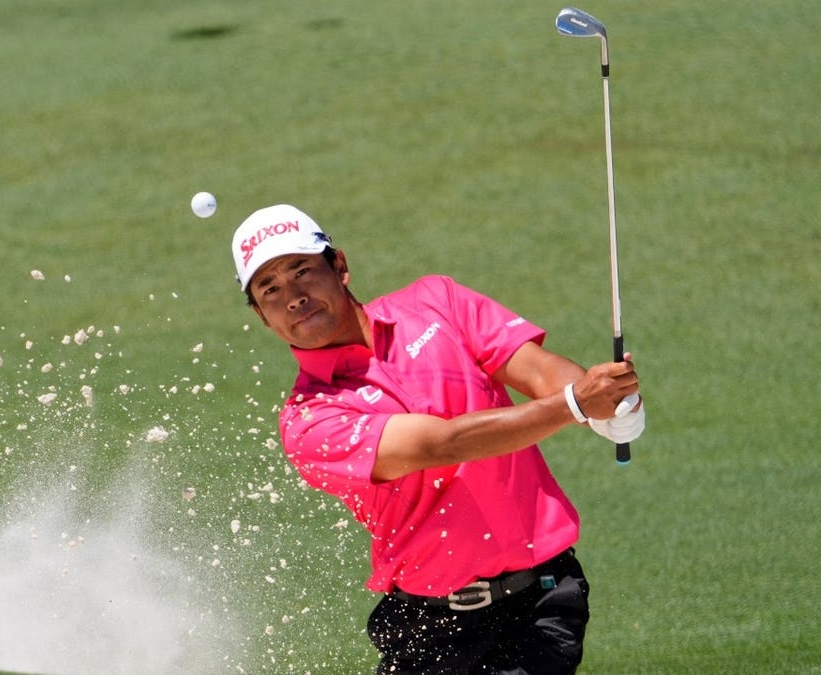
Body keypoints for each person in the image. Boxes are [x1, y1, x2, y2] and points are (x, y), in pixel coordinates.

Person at [230, 204, 645, 674]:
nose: (293, 297)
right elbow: (440, 445)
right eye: (270, 290)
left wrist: (608, 407)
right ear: (264, 318)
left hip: (542, 601)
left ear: (340, 266)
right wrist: (576, 405)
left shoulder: (435, 301)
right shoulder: (309, 420)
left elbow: (537, 369)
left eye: (302, 271)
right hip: (430, 630)